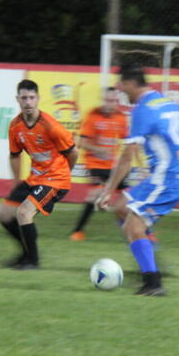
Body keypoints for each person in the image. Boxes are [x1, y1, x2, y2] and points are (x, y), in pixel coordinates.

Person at [97, 62, 179, 296]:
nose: (120, 90)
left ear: (131, 83)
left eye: (122, 85)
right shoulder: (166, 102)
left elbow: (127, 157)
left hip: (167, 179)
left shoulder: (143, 109)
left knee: (133, 225)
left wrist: (108, 189)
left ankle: (153, 282)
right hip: (173, 176)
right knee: (120, 208)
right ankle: (150, 255)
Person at [0, 79, 78, 270]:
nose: (28, 102)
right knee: (3, 214)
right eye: (24, 98)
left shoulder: (51, 126)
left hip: (55, 180)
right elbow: (15, 155)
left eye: (32, 98)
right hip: (35, 179)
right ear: (18, 99)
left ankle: (33, 261)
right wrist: (16, 182)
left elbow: (73, 152)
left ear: (38, 99)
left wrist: (64, 174)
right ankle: (25, 254)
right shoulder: (15, 126)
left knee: (24, 212)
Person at [69, 87, 128, 241]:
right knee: (94, 195)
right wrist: (98, 149)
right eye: (107, 100)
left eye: (113, 101)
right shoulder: (93, 115)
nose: (110, 104)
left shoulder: (120, 117)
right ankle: (77, 231)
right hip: (94, 164)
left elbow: (128, 139)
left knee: (127, 198)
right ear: (102, 100)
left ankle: (137, 231)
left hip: (113, 166)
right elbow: (80, 142)